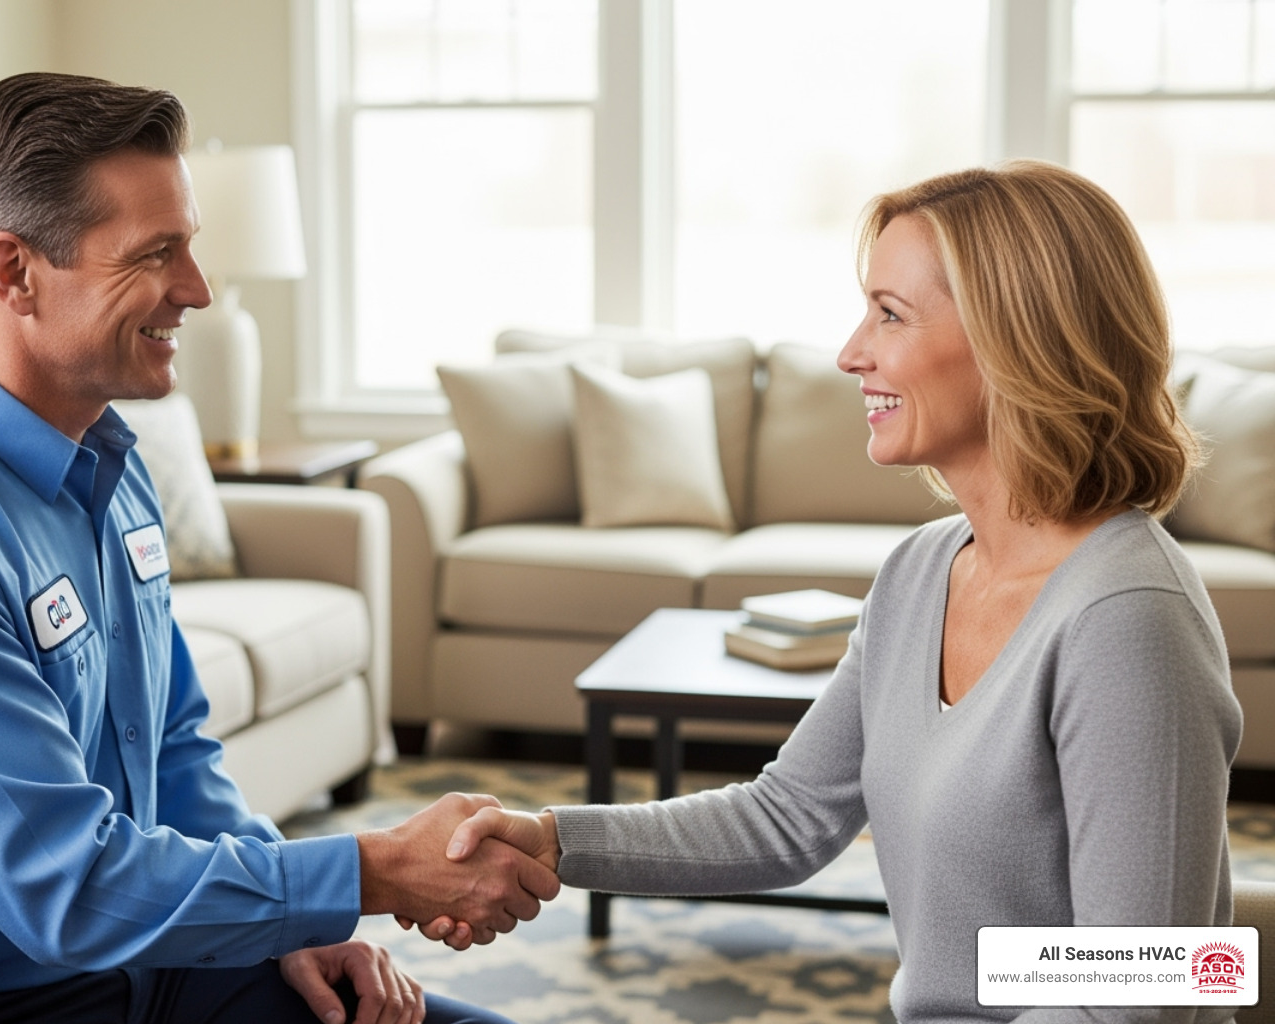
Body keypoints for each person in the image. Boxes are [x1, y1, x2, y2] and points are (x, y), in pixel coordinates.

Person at [0, 72, 557, 1024]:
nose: (198, 289)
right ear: (14, 273)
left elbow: (172, 753)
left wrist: (288, 924)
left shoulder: (109, 464)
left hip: (143, 969)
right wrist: (375, 871)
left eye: (189, 245)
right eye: (155, 254)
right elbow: (68, 888)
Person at [426, 161, 1244, 1022]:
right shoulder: (922, 572)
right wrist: (552, 842)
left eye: (890, 313)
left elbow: (1137, 993)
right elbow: (787, 817)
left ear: (1015, 338)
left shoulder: (1127, 618)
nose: (853, 353)